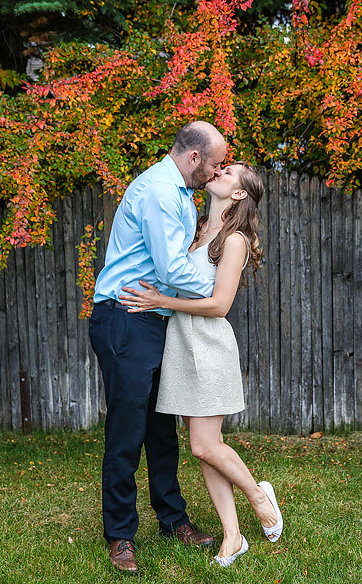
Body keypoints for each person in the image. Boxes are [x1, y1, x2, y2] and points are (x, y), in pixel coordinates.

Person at [119, 161, 283, 567]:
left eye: (229, 173)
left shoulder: (235, 241)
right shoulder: (195, 230)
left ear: (239, 193)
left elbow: (219, 305)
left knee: (203, 444)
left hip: (208, 346)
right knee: (204, 450)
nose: (220, 172)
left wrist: (161, 302)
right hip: (179, 346)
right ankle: (233, 536)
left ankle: (258, 495)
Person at [88, 121, 226, 574]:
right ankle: (121, 535)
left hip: (155, 320)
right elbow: (169, 271)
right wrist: (218, 288)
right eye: (214, 163)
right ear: (193, 158)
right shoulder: (160, 193)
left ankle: (173, 521)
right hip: (126, 317)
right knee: (127, 432)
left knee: (162, 429)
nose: (216, 171)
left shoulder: (179, 194)